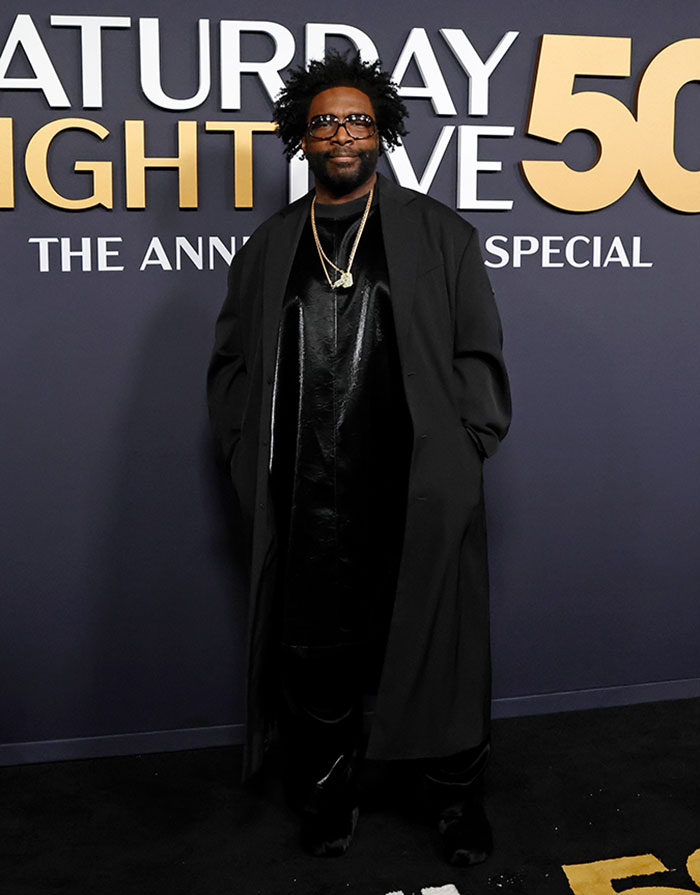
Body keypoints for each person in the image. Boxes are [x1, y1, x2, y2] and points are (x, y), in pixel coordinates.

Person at [207, 50, 511, 865]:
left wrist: (465, 451)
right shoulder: (269, 247)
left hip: (414, 492)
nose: (342, 132)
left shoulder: (440, 234)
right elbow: (232, 366)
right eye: (324, 121)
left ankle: (454, 807)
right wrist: (245, 460)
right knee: (316, 663)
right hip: (306, 500)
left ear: (383, 133)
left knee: (440, 655)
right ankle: (327, 799)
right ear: (300, 139)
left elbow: (478, 354)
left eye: (358, 119)